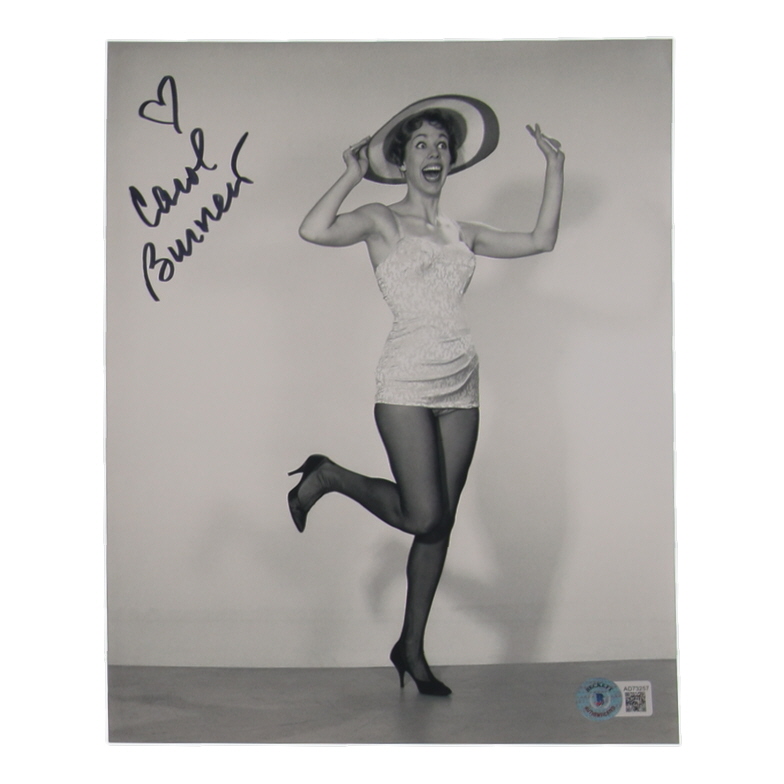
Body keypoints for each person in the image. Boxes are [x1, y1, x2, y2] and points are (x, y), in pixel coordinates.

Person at [289, 95, 564, 696]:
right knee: (424, 514)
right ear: (402, 162)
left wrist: (554, 166)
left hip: (462, 384)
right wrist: (351, 173)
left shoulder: (462, 232)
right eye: (421, 145)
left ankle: (411, 648)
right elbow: (313, 229)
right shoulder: (380, 220)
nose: (434, 152)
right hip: (407, 382)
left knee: (439, 527)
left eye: (442, 144)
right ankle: (329, 475)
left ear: (452, 160)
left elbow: (541, 240)